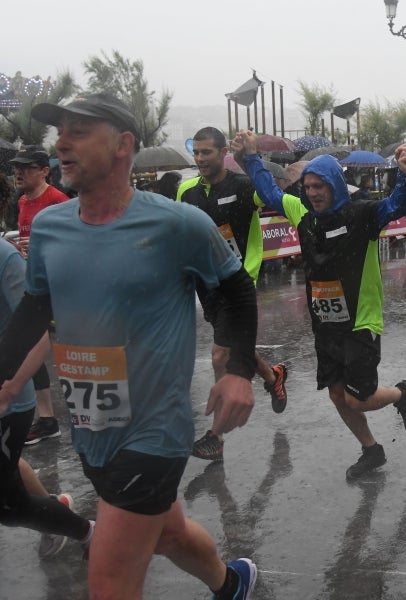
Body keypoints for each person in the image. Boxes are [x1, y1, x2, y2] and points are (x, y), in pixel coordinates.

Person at [0, 93, 259, 598]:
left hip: (154, 433)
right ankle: (232, 584)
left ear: (122, 145)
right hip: (92, 426)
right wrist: (4, 378)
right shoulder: (50, 229)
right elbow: (35, 308)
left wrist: (239, 370)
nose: (61, 143)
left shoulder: (177, 223)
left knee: (109, 580)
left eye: (78, 131)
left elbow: (234, 290)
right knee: (168, 533)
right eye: (60, 132)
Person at [232, 130, 406, 480]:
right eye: (308, 186)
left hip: (361, 320)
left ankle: (401, 393)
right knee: (337, 394)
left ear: (335, 184)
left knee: (358, 396)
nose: (313, 193)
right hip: (326, 323)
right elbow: (270, 191)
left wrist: (404, 173)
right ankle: (371, 449)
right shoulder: (302, 214)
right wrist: (250, 158)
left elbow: (398, 205)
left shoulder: (362, 214)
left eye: (320, 186)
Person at [178, 126, 288, 462]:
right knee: (236, 345)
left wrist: (251, 158)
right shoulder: (186, 191)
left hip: (238, 283)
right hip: (206, 285)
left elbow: (271, 194)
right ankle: (273, 376)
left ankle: (217, 437)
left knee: (219, 355)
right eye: (196, 153)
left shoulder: (242, 187)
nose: (200, 159)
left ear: (222, 152)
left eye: (207, 153)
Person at [0, 236, 95, 560]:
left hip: (7, 401)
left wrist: (11, 388)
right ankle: (68, 522)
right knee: (11, 491)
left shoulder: (6, 259)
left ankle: (85, 531)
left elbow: (39, 334)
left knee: (9, 506)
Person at [9, 147, 69, 446]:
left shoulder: (58, 201)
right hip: (34, 287)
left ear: (45, 170)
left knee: (70, 350)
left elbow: (74, 241)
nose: (19, 172)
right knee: (33, 345)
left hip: (60, 288)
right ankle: (47, 418)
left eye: (27, 167)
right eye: (16, 168)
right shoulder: (21, 201)